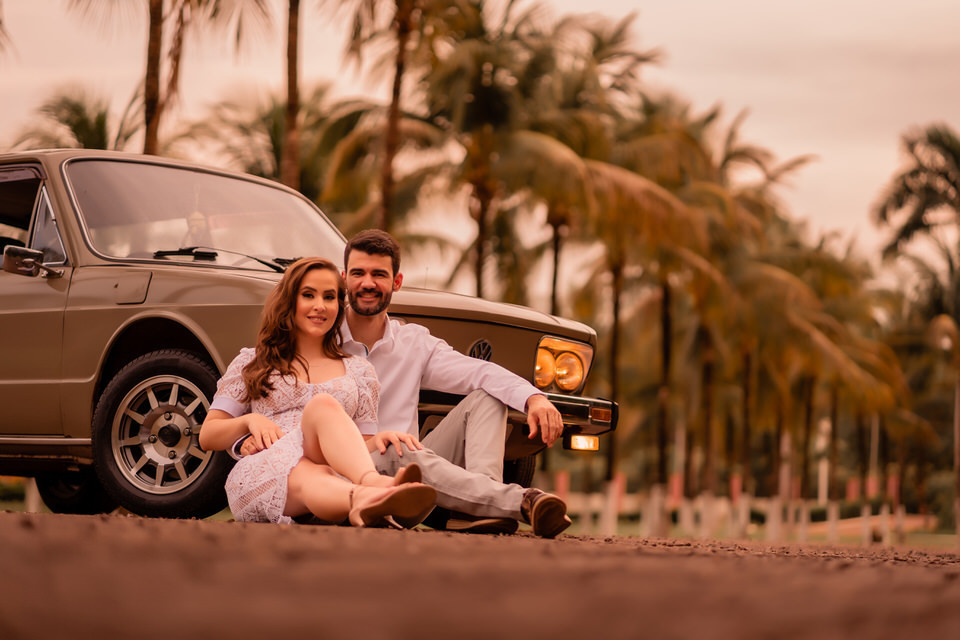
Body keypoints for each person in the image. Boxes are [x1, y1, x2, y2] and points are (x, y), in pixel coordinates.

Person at [339, 229, 570, 537]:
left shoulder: (414, 342)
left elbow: (480, 372)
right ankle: (512, 501)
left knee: (487, 395)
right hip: (357, 480)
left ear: (396, 282)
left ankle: (475, 509)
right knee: (393, 449)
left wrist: (534, 399)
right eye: (358, 273)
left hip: (414, 477)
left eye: (379, 274)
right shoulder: (325, 338)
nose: (368, 283)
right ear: (344, 278)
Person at [198, 257, 436, 528]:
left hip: (332, 473)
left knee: (324, 416)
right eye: (308, 295)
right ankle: (381, 491)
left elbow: (359, 446)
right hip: (266, 470)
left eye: (330, 296)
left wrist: (381, 438)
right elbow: (208, 436)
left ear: (339, 305)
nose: (320, 306)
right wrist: (249, 421)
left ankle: (367, 496)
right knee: (309, 458)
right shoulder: (252, 363)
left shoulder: (359, 371)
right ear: (290, 301)